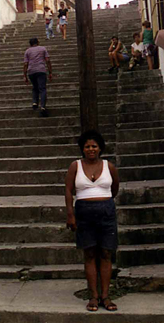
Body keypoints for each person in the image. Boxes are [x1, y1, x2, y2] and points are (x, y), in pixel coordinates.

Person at [65, 130, 119, 312]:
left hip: (106, 213)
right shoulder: (75, 166)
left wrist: (104, 202)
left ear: (100, 148)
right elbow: (68, 190)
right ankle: (93, 296)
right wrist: (70, 214)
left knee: (105, 253)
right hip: (84, 213)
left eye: (94, 146)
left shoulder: (108, 166)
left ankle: (105, 295)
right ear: (82, 148)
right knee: (89, 254)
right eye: (87, 146)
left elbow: (115, 189)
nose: (90, 149)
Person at [23, 37, 52, 117]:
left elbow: (25, 64)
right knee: (42, 88)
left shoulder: (27, 51)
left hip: (31, 71)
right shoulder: (43, 49)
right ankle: (43, 107)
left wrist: (25, 75)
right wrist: (50, 72)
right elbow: (48, 60)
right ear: (37, 42)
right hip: (41, 70)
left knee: (35, 87)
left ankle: (35, 102)